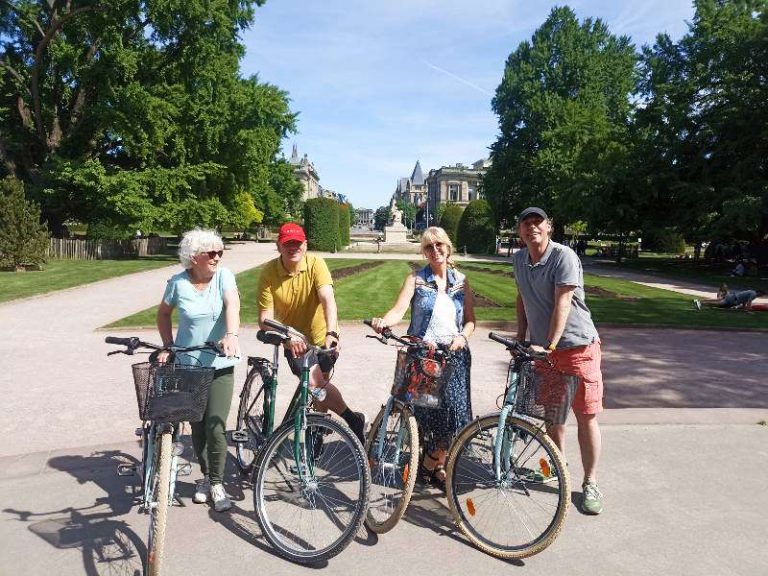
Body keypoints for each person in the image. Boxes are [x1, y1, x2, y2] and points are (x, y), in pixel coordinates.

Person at [513, 207, 605, 515]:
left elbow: (563, 302)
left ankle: (590, 482)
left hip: (576, 347)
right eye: (526, 223)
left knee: (585, 415)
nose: (532, 227)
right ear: (519, 231)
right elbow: (523, 298)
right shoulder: (519, 259)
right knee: (554, 417)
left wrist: (550, 345)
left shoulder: (564, 257)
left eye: (538, 222)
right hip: (544, 352)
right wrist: (521, 338)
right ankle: (558, 465)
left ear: (549, 227)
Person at [371, 226, 475, 492]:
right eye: (428, 247)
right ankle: (433, 465)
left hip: (453, 356)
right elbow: (399, 310)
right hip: (423, 355)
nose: (435, 250)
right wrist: (384, 321)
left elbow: (471, 321)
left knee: (453, 414)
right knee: (426, 412)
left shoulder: (462, 282)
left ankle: (431, 463)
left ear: (448, 247)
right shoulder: (416, 279)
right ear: (423, 251)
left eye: (439, 244)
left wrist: (463, 337)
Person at [257, 222, 366, 445]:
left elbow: (328, 299)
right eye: (287, 243)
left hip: (321, 336)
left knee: (320, 386)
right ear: (279, 246)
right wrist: (287, 336)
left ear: (305, 245)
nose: (293, 247)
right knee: (316, 385)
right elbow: (264, 319)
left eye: (297, 243)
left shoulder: (316, 264)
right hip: (293, 341)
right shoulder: (269, 272)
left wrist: (332, 332)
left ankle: (316, 429)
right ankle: (352, 420)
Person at [156, 228, 240, 512]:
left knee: (216, 425)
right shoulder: (178, 284)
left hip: (219, 362)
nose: (217, 257)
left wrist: (232, 335)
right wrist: (168, 345)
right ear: (193, 258)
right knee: (198, 427)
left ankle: (217, 482)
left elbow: (233, 304)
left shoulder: (224, 277)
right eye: (211, 253)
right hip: (188, 364)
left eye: (220, 251)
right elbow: (164, 313)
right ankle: (205, 477)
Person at [694, 284, 762, 311]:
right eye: (761, 295)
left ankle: (700, 302)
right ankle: (700, 303)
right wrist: (748, 310)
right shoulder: (754, 294)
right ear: (760, 293)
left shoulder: (751, 291)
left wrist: (744, 308)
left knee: (717, 301)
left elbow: (744, 300)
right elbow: (749, 302)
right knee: (717, 303)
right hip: (732, 299)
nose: (760, 296)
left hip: (732, 297)